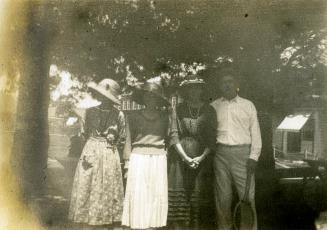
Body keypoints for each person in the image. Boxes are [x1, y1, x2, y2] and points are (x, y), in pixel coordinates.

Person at [68, 79, 126, 229]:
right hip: (91, 150)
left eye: (108, 97)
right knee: (88, 184)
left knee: (107, 186)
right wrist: (87, 150)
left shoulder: (119, 115)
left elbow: (123, 136)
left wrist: (113, 140)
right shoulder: (90, 112)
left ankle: (105, 221)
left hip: (109, 153)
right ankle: (88, 221)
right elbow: (84, 134)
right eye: (102, 95)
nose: (105, 99)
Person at [210, 68, 262, 230]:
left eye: (230, 81)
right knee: (223, 199)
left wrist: (253, 156)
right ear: (220, 86)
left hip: (243, 155)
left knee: (247, 199)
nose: (227, 85)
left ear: (237, 85)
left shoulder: (248, 105)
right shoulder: (214, 106)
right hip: (221, 155)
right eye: (223, 82)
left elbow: (256, 133)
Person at [167, 76, 216, 230]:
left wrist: (201, 158)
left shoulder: (209, 109)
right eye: (190, 88)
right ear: (186, 91)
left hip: (202, 159)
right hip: (180, 159)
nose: (194, 91)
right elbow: (174, 135)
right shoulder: (178, 109)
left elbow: (212, 138)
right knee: (181, 198)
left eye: (197, 87)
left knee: (198, 197)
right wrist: (186, 157)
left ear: (202, 90)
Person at [122, 81, 172, 230]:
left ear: (158, 99)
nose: (151, 99)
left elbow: (169, 138)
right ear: (143, 98)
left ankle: (154, 226)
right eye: (147, 96)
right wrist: (127, 163)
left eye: (154, 97)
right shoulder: (132, 115)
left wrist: (165, 154)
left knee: (156, 195)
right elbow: (128, 139)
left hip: (158, 158)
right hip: (138, 158)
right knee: (139, 195)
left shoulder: (165, 116)